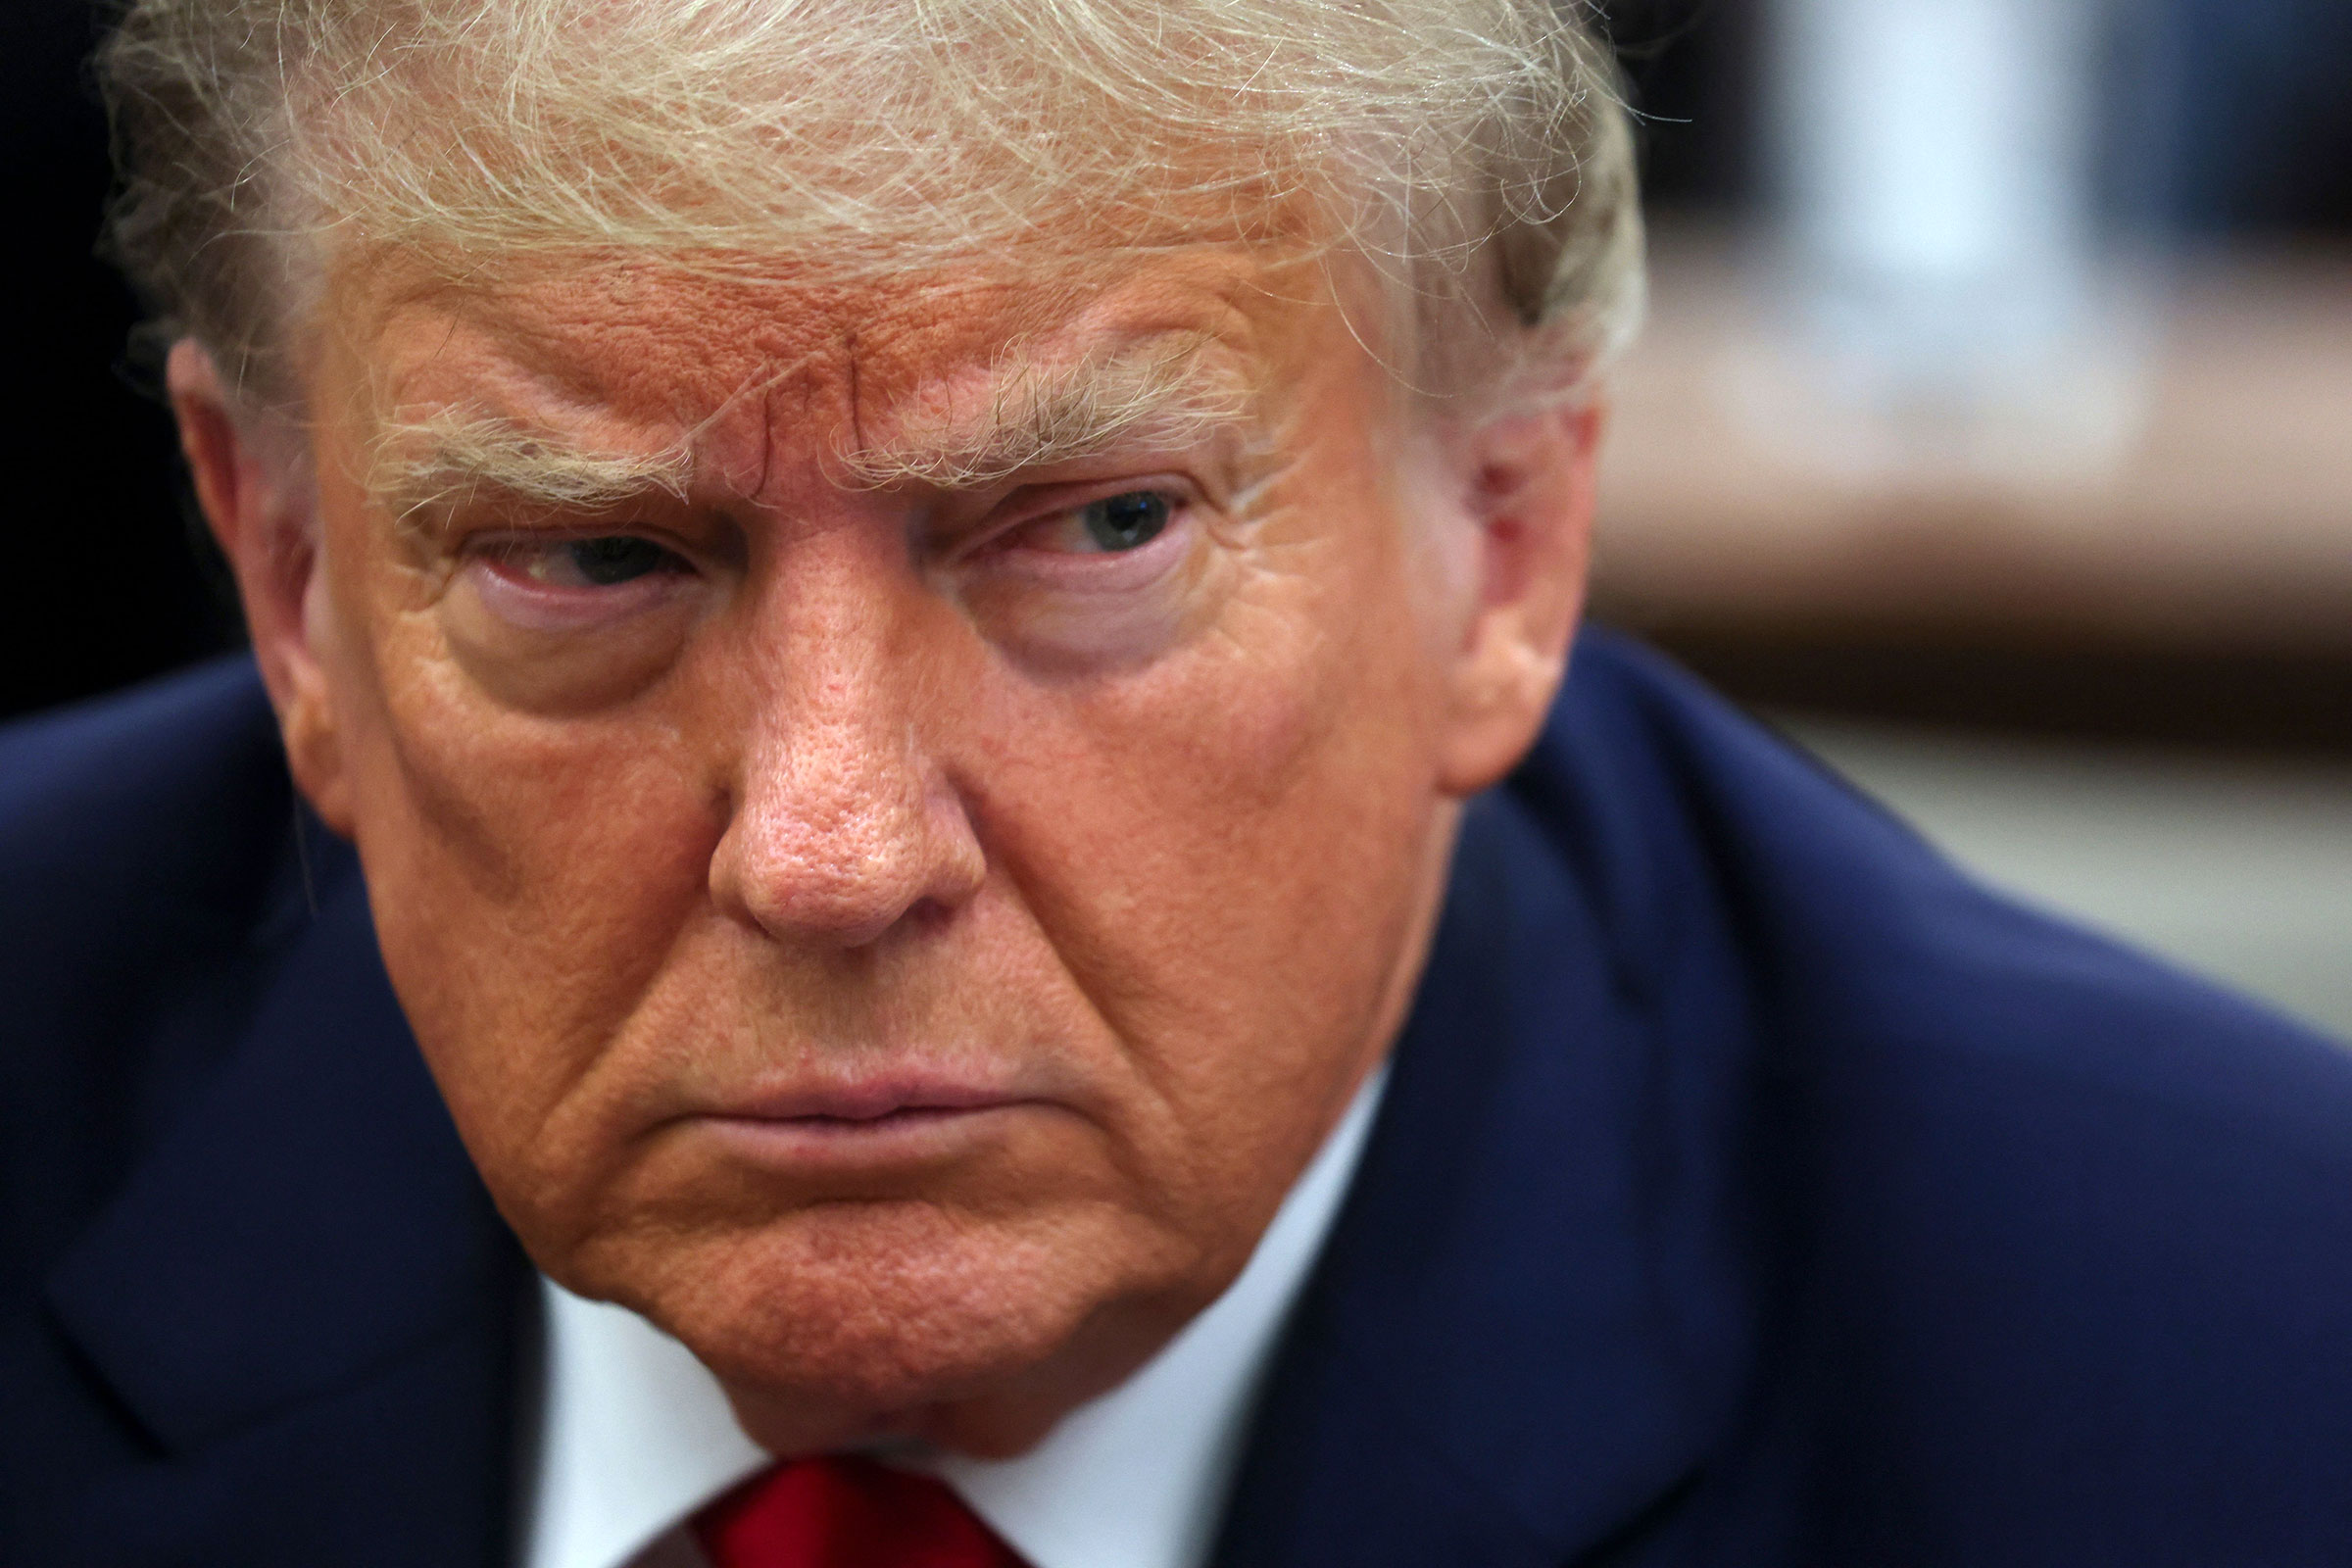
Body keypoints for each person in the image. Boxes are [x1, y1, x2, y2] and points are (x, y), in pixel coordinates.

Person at [6, 3, 2352, 1564]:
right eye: (591, 554)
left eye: (1098, 527)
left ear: (1505, 542)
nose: (828, 846)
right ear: (291, 578)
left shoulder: (2228, 1384)